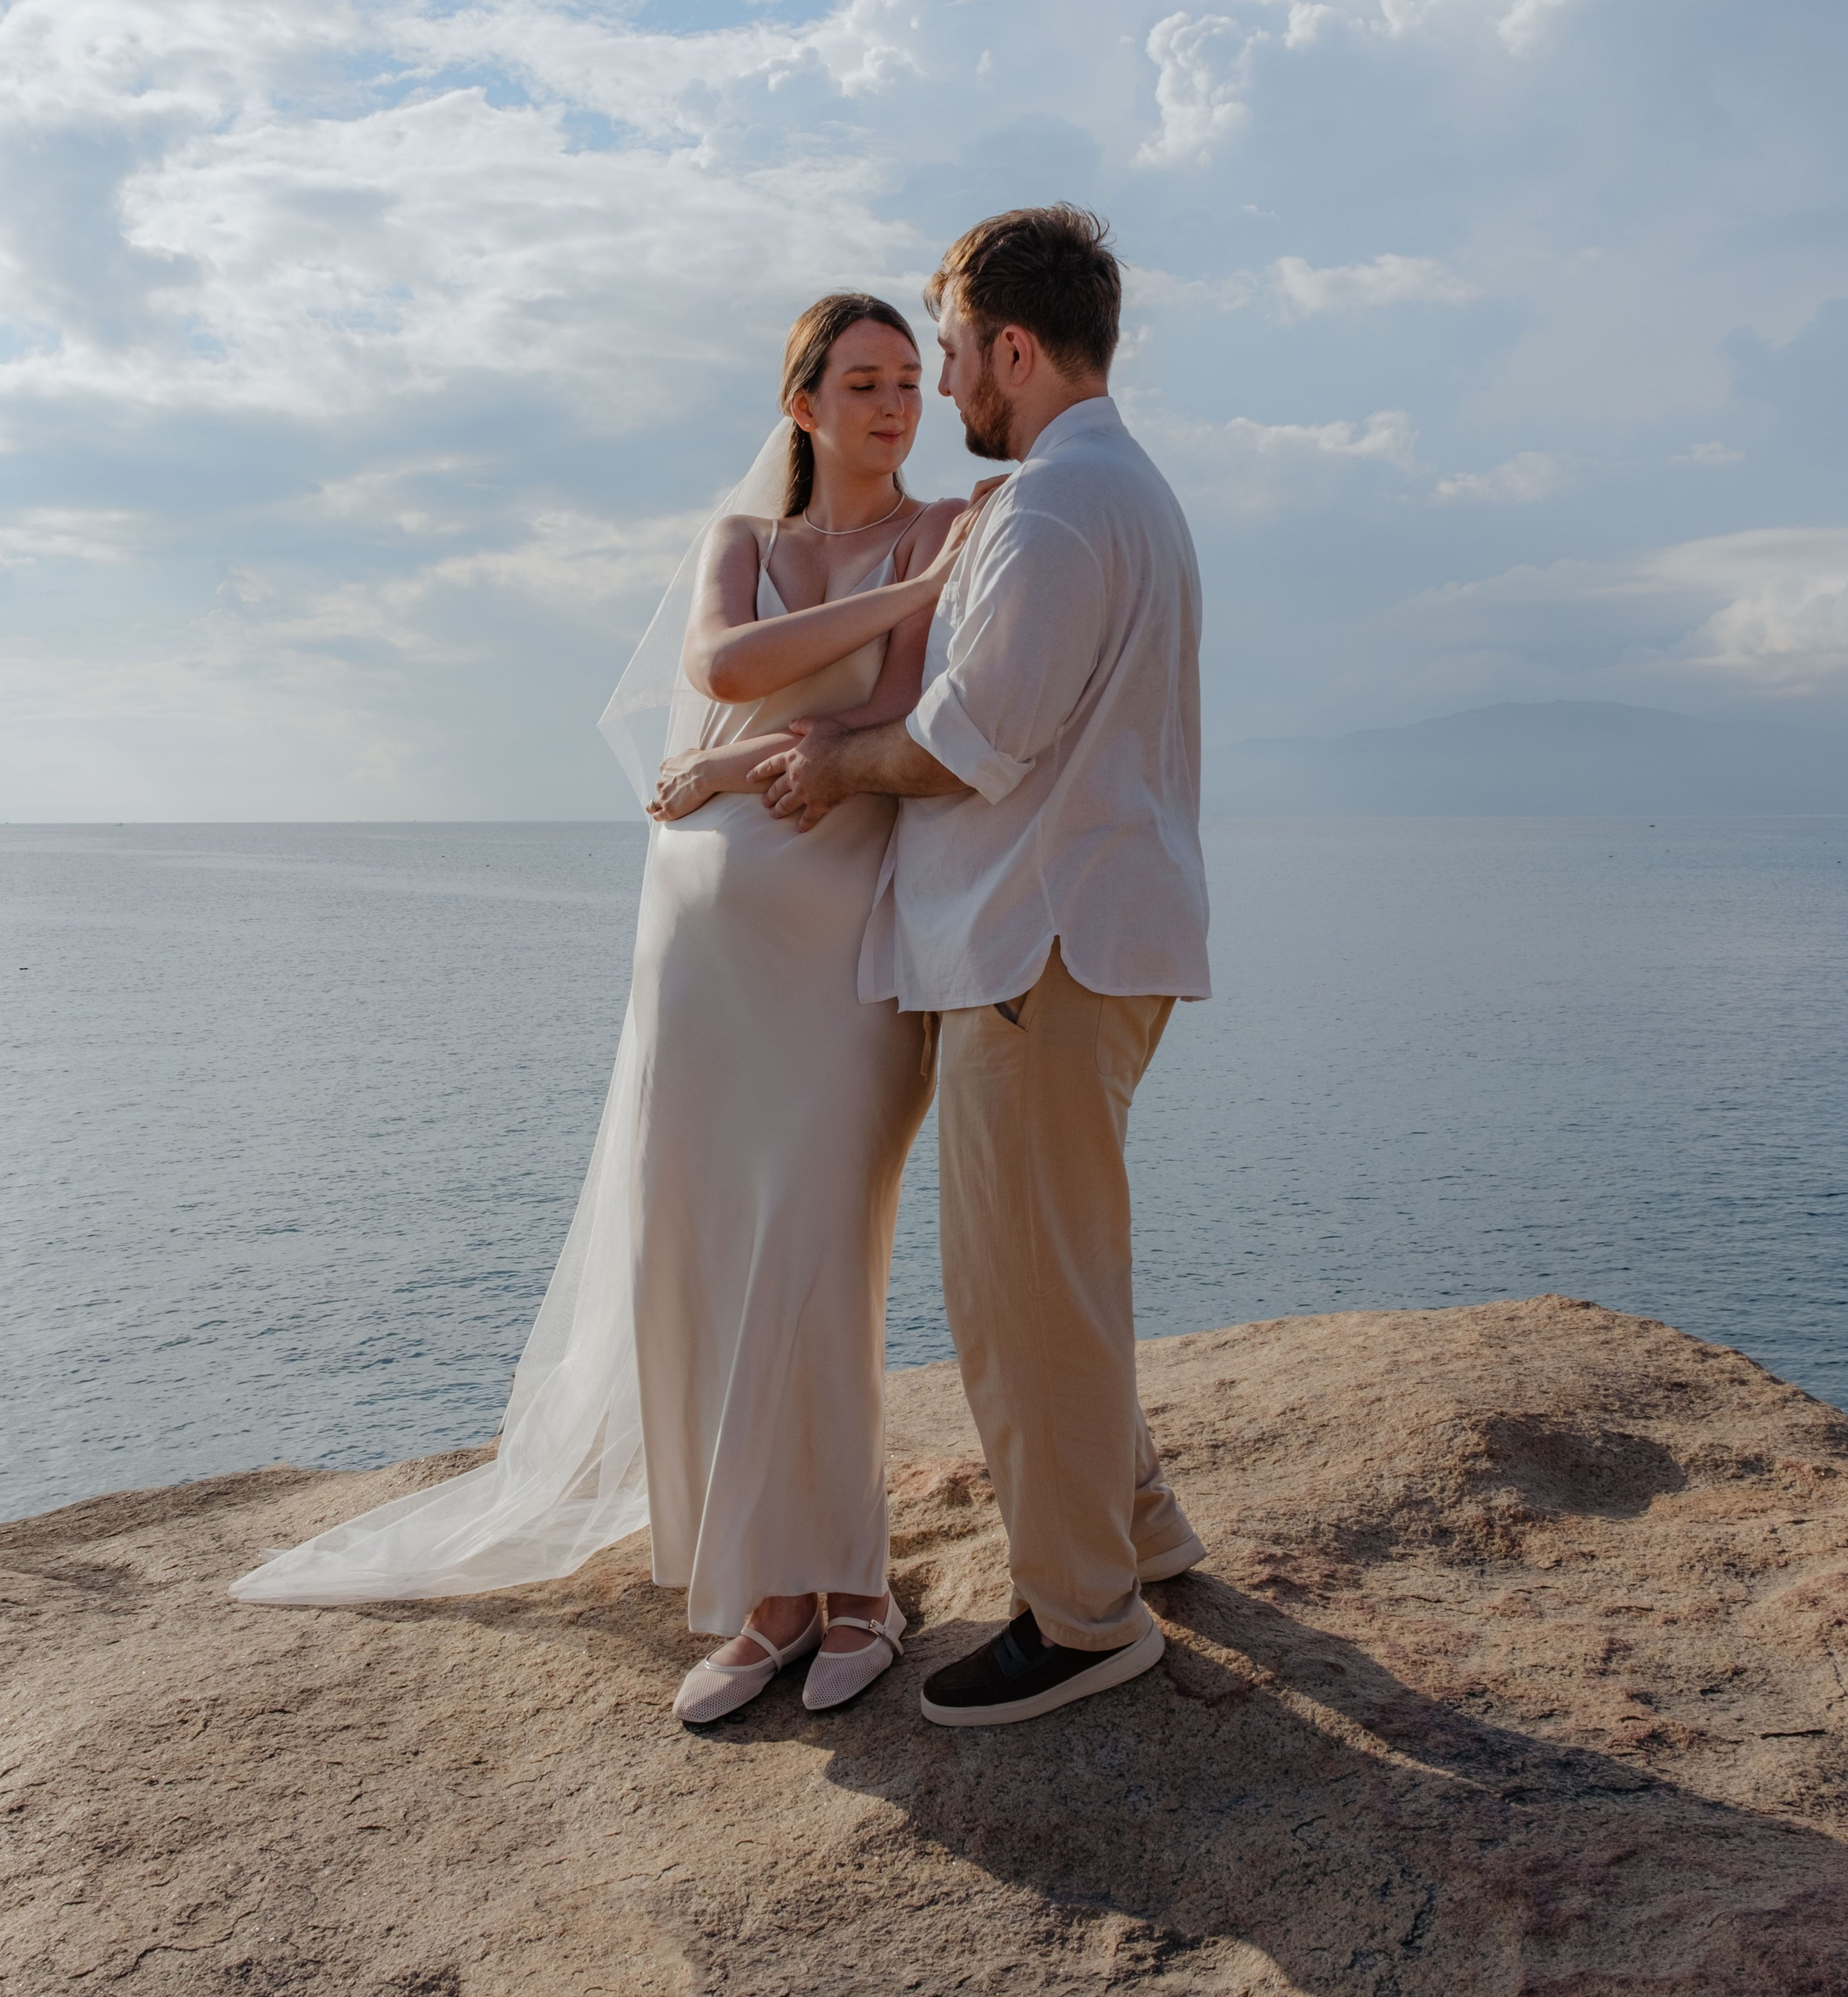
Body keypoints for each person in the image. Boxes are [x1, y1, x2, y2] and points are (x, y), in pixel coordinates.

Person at [233, 294, 976, 1731]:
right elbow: (722, 670)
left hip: (833, 957)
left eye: (909, 382)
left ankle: (858, 1592)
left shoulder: (944, 526)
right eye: (866, 384)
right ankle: (758, 1596)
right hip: (697, 960)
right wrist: (885, 609)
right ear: (804, 405)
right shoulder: (746, 544)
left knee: (817, 1252)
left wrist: (746, 749)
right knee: (693, 1247)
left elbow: (862, 730)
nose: (898, 406)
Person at [757, 205, 1212, 1729]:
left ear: (1012, 349)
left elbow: (964, 744)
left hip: (1039, 952)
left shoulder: (1052, 512)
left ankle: (1084, 1619)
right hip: (1082, 940)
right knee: (1062, 1271)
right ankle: (1138, 1536)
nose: (944, 386)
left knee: (1017, 1298)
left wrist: (834, 758)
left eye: (950, 351)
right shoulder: (1116, 494)